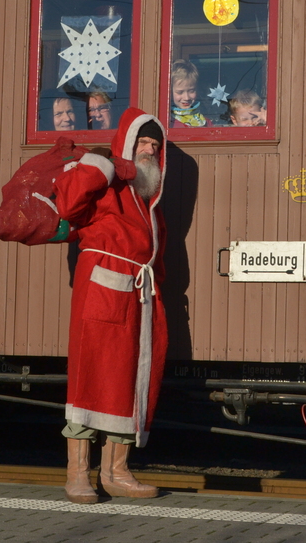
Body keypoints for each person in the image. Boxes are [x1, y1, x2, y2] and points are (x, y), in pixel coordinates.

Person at [53, 107, 168, 504]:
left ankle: (116, 471)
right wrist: (104, 164)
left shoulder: (147, 202)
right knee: (92, 373)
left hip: (136, 291)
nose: (150, 150)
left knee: (127, 379)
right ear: (127, 144)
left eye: (156, 144)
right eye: (144, 142)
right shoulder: (104, 180)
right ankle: (77, 475)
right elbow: (67, 205)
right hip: (102, 283)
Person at [170, 59, 210, 127]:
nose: (187, 98)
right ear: (170, 92)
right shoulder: (169, 122)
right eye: (180, 92)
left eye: (191, 91)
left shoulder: (205, 122)